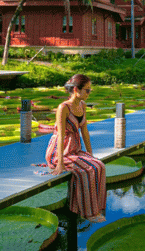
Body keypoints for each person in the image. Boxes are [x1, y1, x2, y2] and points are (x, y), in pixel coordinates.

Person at [45, 73, 107, 223]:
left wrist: (90, 153)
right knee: (87, 170)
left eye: (90, 90)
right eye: (87, 90)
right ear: (75, 90)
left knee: (100, 166)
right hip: (60, 151)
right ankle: (87, 212)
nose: (89, 93)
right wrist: (59, 163)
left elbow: (84, 131)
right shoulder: (63, 108)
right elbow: (60, 135)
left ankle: (97, 207)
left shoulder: (83, 106)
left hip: (75, 148)